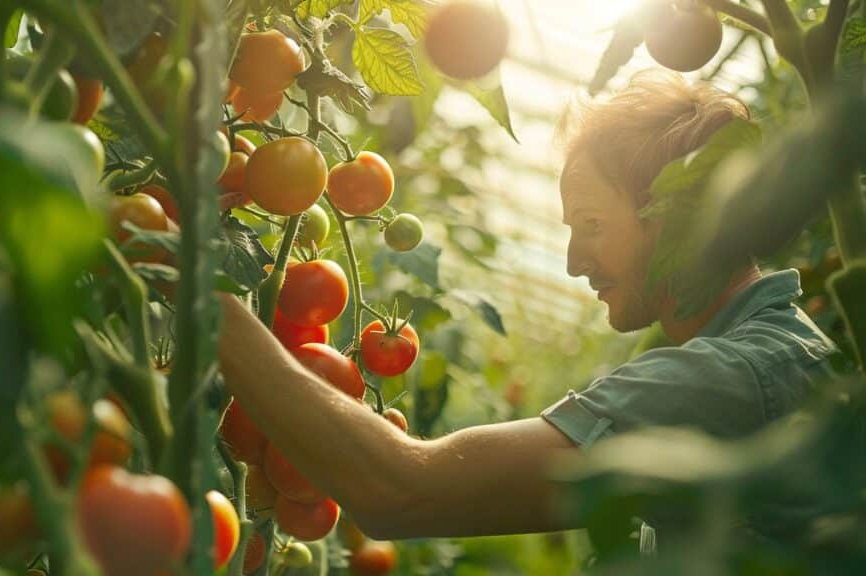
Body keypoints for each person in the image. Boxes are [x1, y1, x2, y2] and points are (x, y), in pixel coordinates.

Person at [216, 70, 837, 549]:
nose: (573, 261)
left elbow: (401, 491)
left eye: (593, 224)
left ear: (674, 213)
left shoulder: (729, 379)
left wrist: (207, 300)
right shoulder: (774, 353)